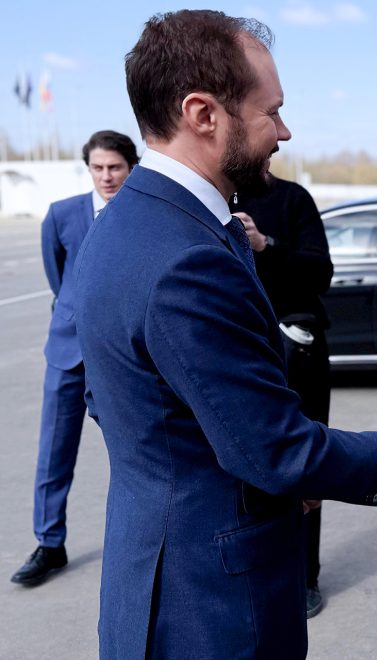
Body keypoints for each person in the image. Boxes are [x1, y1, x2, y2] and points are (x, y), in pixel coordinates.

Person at [72, 11, 377, 659]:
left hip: (158, 571)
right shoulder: (186, 255)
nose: (284, 130)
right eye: (269, 111)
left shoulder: (131, 223)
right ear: (202, 113)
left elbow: (122, 402)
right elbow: (273, 452)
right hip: (211, 604)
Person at [11, 130, 139, 588]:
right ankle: (49, 543)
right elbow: (57, 275)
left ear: (131, 167)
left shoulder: (143, 214)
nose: (106, 176)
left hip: (124, 354)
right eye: (98, 168)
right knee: (53, 451)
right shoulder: (61, 214)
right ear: (88, 168)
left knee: (138, 450)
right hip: (67, 351)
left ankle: (144, 544)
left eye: (115, 167)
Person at [230, 175, 333, 618]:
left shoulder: (292, 198)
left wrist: (264, 243)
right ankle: (253, 569)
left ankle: (305, 575)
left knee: (305, 462)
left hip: (298, 348)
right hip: (233, 350)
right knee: (238, 466)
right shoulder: (207, 200)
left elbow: (321, 272)